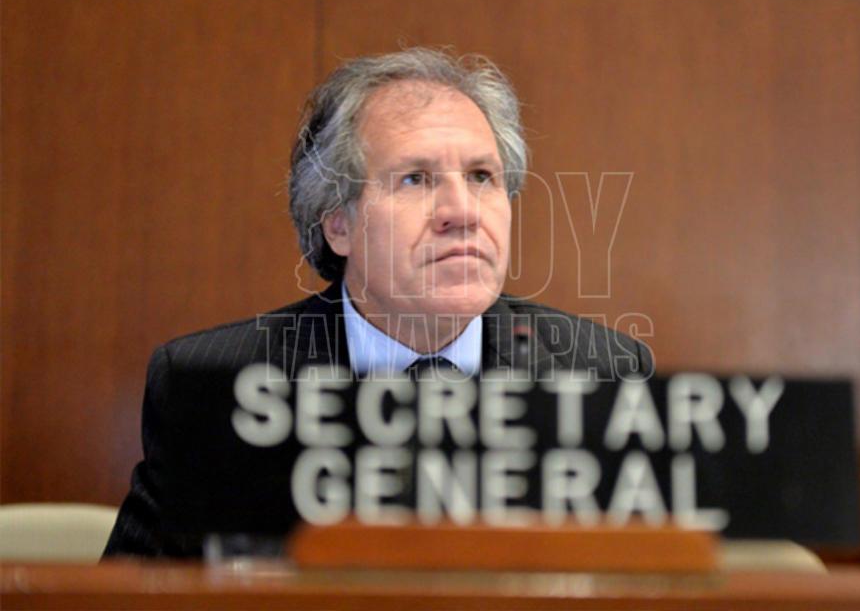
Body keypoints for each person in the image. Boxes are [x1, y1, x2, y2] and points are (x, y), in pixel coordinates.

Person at [104, 48, 653, 557]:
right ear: (339, 224)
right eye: (416, 179)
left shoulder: (605, 375)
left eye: (482, 176)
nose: (463, 211)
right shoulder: (216, 387)